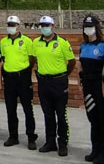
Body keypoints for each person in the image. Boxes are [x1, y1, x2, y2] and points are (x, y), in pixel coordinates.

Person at [31, 15, 75, 157]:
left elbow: (72, 62)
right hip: (44, 82)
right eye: (42, 25)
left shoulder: (62, 42)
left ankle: (62, 143)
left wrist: (62, 75)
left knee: (61, 114)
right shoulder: (36, 42)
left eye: (47, 25)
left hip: (59, 82)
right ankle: (50, 142)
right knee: (48, 114)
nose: (44, 28)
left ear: (53, 27)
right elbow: (33, 58)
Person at [0, 15, 39, 149]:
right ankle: (13, 136)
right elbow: (3, 58)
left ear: (18, 26)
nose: (11, 27)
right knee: (10, 109)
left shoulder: (27, 41)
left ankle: (31, 137)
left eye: (13, 25)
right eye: (9, 25)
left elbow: (32, 59)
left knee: (28, 109)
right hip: (9, 78)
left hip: (22, 77)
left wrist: (25, 70)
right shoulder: (3, 41)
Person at [80, 15, 104, 164]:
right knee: (92, 118)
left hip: (99, 85)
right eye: (86, 26)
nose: (88, 29)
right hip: (87, 85)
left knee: (103, 119)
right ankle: (96, 149)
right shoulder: (84, 46)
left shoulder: (103, 46)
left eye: (90, 26)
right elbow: (81, 66)